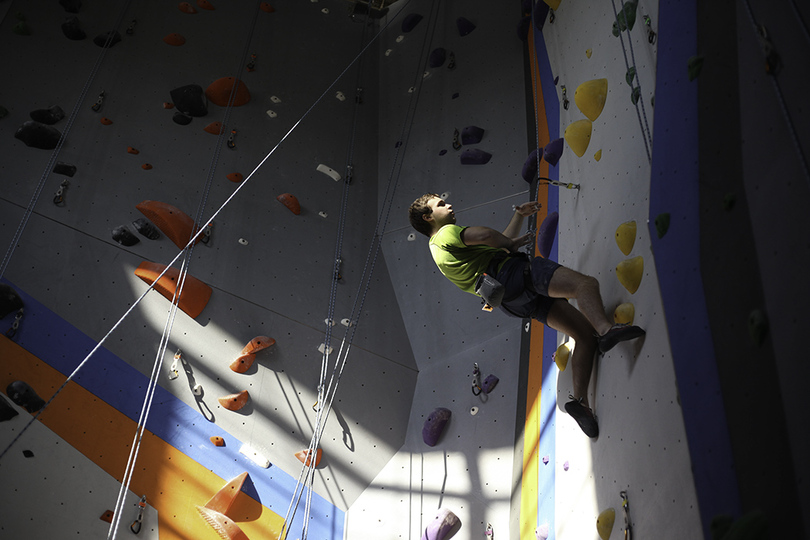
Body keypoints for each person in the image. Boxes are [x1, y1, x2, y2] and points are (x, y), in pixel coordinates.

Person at [408, 193, 645, 438]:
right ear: (428, 217)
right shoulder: (445, 233)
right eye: (440, 204)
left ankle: (580, 401)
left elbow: (499, 243)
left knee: (584, 335)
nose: (449, 204)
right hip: (515, 273)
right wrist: (510, 246)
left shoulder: (438, 254)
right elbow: (488, 237)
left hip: (510, 300)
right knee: (584, 285)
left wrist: (518, 217)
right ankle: (606, 330)